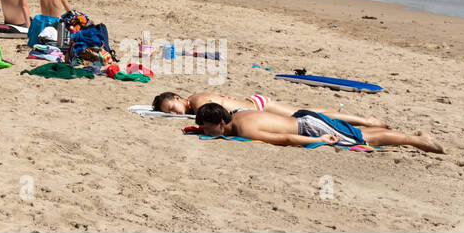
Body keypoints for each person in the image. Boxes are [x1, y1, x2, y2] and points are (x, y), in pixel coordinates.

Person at [193, 103, 443, 153]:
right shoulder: (239, 113)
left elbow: (286, 139)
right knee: (358, 134)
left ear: (222, 122)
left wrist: (322, 139)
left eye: (207, 127)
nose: (205, 131)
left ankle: (415, 140)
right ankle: (412, 137)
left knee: (363, 139)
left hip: (308, 128)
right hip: (304, 117)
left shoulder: (244, 129)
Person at [151, 91, 388, 128]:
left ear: (177, 97)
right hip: (256, 103)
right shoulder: (195, 99)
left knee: (306, 115)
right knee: (304, 111)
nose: (174, 113)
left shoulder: (199, 104)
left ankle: (366, 121)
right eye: (169, 113)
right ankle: (363, 120)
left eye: (172, 107)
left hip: (257, 107)